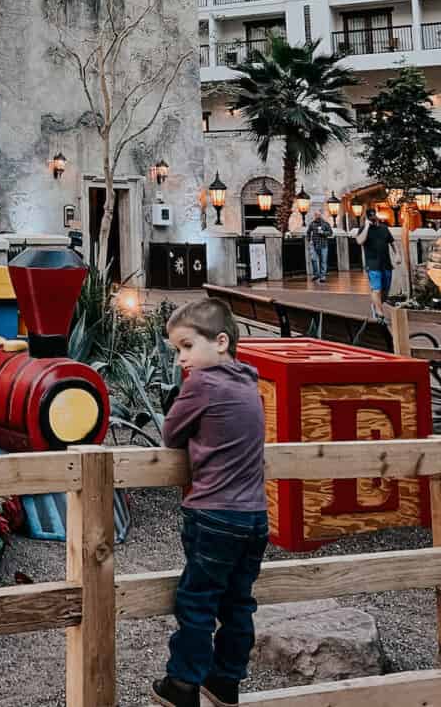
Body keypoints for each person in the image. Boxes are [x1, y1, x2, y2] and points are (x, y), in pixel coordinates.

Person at [152, 297, 268, 707]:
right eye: (177, 350)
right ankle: (226, 680)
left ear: (221, 342)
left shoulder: (202, 383)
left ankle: (183, 683)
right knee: (238, 602)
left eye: (186, 346)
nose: (181, 358)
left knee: (197, 599)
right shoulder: (249, 383)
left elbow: (171, 434)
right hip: (254, 516)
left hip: (215, 513)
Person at [353, 209, 399, 321]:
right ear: (367, 218)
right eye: (370, 217)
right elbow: (359, 241)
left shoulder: (384, 228)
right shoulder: (363, 229)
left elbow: (392, 242)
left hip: (386, 263)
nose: (373, 218)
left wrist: (397, 254)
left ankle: (376, 305)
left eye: (374, 216)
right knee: (376, 289)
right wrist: (367, 227)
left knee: (385, 291)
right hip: (373, 264)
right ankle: (380, 314)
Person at [306, 209, 334, 284]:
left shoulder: (325, 224)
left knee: (323, 261)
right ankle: (316, 274)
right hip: (314, 245)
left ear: (320, 215)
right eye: (315, 215)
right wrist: (309, 240)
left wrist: (323, 233)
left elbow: (331, 233)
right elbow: (308, 232)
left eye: (318, 215)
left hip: (323, 245)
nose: (316, 216)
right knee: (313, 259)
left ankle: (322, 276)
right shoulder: (312, 224)